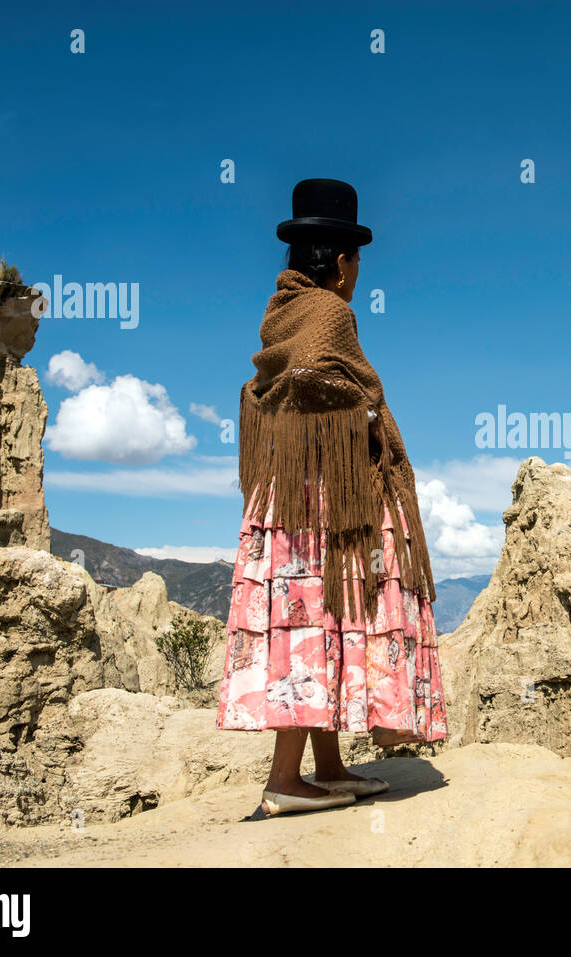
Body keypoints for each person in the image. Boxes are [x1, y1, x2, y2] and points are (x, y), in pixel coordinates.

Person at [216, 178, 447, 816]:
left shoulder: (279, 310)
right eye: (357, 263)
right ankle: (283, 783)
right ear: (341, 261)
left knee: (318, 621)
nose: (357, 276)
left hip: (286, 497)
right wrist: (367, 414)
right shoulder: (331, 313)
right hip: (325, 499)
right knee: (312, 622)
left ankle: (328, 767)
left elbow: (282, 385)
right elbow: (319, 381)